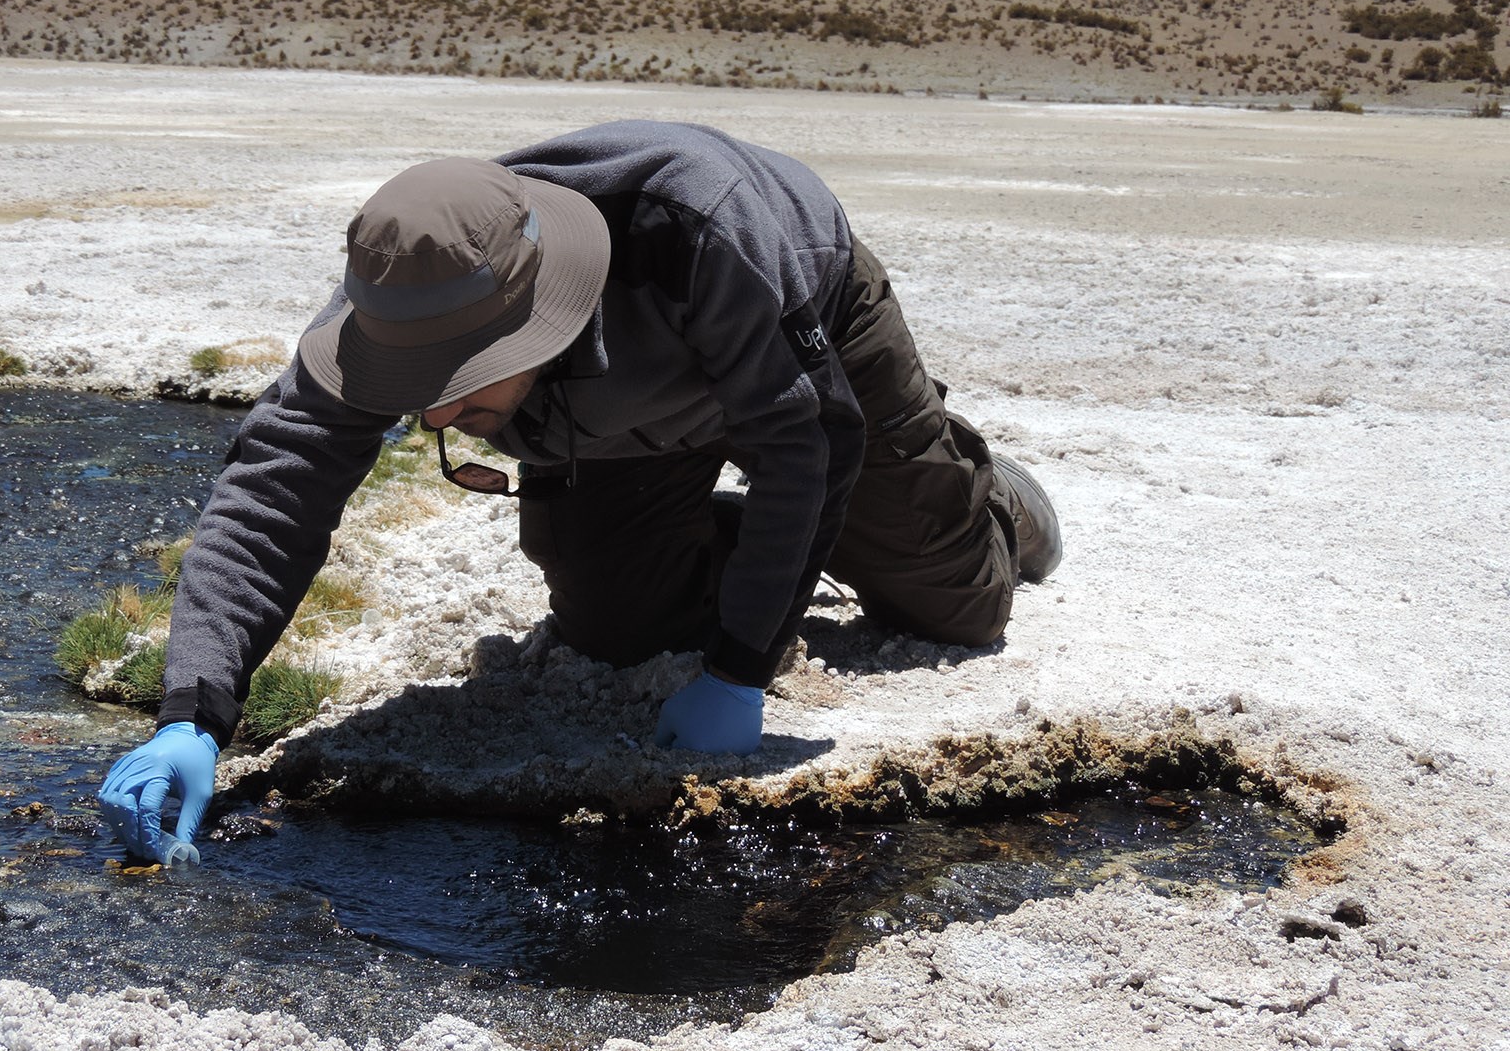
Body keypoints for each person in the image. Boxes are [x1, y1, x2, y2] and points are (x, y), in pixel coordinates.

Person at [99, 120, 1061, 862]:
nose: (435, 420)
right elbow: (276, 485)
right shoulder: (400, 292)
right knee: (618, 626)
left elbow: (805, 443)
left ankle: (985, 501)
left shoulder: (698, 233)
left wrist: (740, 670)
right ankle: (753, 539)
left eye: (461, 388)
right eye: (415, 395)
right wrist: (194, 711)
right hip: (617, 415)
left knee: (954, 605)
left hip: (802, 343)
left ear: (538, 319)